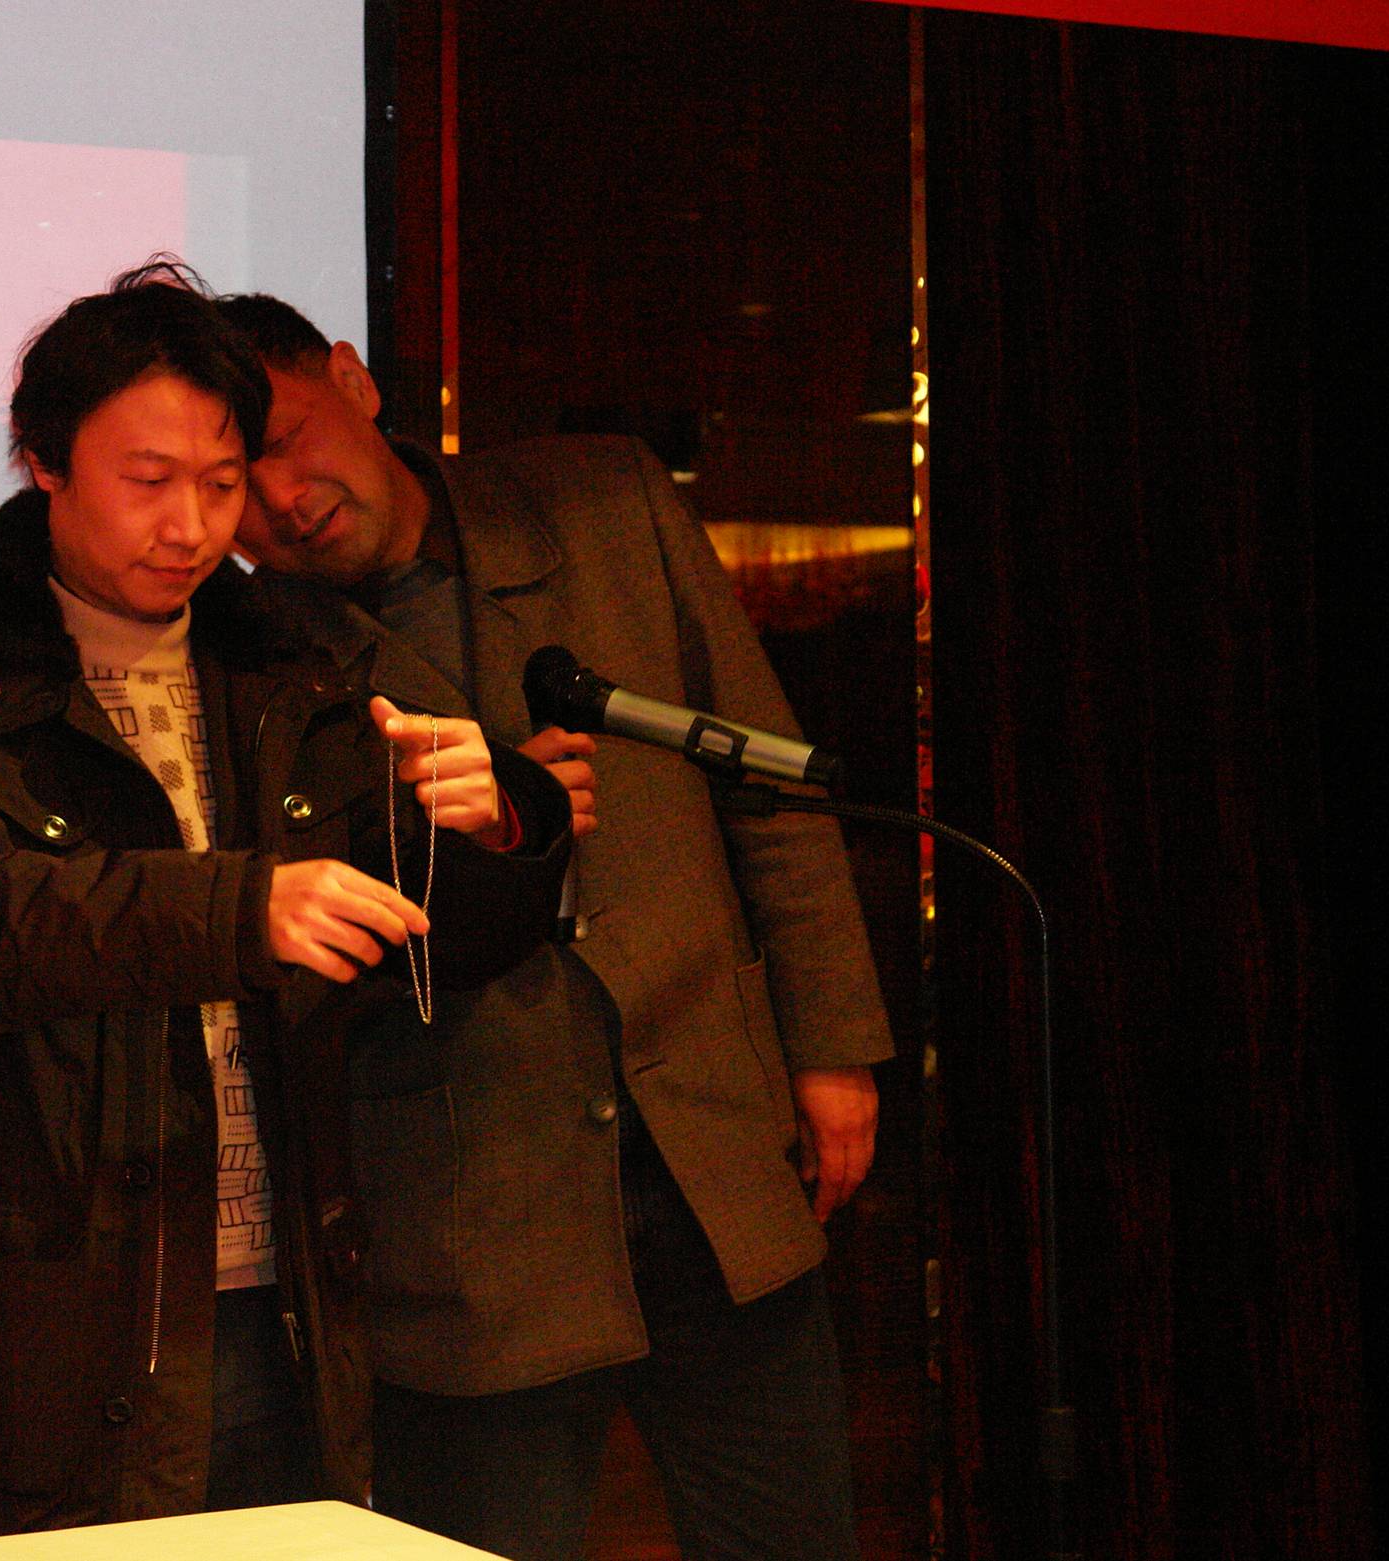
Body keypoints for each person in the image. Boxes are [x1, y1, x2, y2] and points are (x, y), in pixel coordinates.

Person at [0, 266, 571, 1545]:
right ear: (45, 462)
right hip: (33, 1329)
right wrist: (236, 908)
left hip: (279, 1306)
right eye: (148, 480)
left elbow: (428, 939)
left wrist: (496, 832)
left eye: (220, 483)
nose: (193, 525)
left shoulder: (292, 656)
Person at [216, 293, 895, 1561]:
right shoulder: (247, 657)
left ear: (353, 381)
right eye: (232, 488)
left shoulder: (604, 501)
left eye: (288, 440)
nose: (281, 502)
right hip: (471, 1209)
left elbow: (766, 778)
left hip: (710, 1147)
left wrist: (832, 1041)